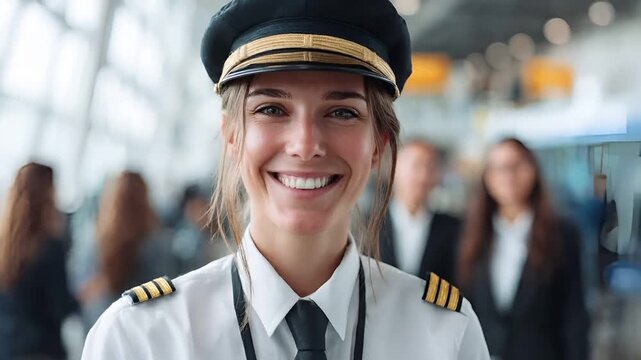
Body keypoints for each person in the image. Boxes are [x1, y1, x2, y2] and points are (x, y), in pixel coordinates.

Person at [82, 0, 490, 358]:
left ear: (379, 144)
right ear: (231, 135)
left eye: (342, 112)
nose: (306, 144)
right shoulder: (142, 340)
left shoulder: (445, 336)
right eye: (272, 109)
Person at [457, 138, 589, 360]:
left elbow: (574, 315)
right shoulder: (470, 234)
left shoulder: (562, 234)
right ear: (487, 178)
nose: (508, 176)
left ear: (533, 171)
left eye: (516, 166)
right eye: (498, 168)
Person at [77, 171, 177, 331]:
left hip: (104, 327)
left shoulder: (95, 240)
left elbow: (83, 291)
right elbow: (165, 288)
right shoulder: (158, 242)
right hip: (144, 328)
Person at [0, 162, 78, 360]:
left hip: (7, 346)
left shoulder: (5, 245)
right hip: (41, 349)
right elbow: (60, 307)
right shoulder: (49, 247)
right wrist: (83, 296)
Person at [379, 139, 461, 283]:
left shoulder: (454, 229)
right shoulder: (367, 227)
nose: (423, 176)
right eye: (416, 166)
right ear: (394, 169)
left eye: (430, 167)